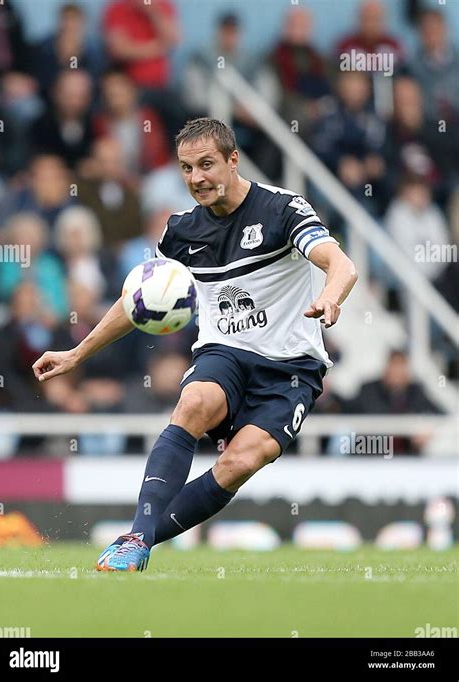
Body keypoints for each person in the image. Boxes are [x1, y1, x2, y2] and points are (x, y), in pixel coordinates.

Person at [32, 118, 358, 572]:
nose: (196, 179)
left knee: (242, 461)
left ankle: (140, 538)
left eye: (206, 165)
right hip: (225, 352)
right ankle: (135, 541)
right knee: (193, 403)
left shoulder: (283, 209)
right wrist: (76, 353)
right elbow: (138, 303)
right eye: (186, 169)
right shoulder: (180, 232)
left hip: (291, 367)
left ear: (233, 160)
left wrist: (329, 296)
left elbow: (341, 264)